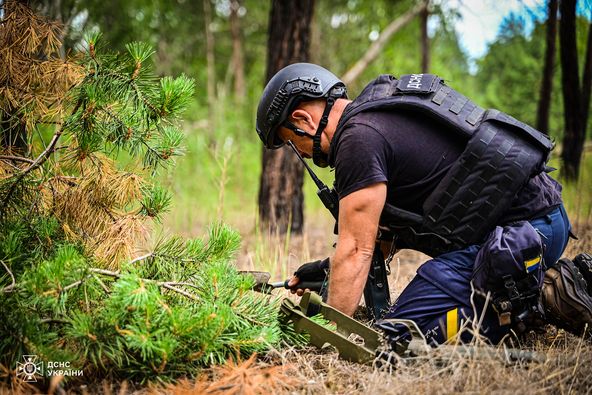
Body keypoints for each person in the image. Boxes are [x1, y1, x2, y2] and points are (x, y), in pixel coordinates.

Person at [255, 63, 592, 345]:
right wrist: (329, 271)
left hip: (522, 236)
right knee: (405, 322)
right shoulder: (377, 113)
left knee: (401, 338)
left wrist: (326, 337)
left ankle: (541, 300)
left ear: (302, 120)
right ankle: (534, 288)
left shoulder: (356, 141)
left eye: (293, 143)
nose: (305, 154)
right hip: (542, 222)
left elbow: (357, 249)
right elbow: (377, 238)